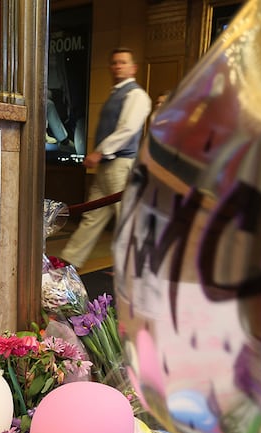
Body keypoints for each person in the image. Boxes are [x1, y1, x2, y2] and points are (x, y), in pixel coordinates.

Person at [58, 47, 152, 271]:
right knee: (93, 215)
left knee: (126, 219)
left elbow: (127, 129)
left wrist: (100, 152)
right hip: (108, 167)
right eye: (115, 62)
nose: (118, 66)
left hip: (121, 165)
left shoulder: (137, 95)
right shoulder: (116, 94)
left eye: (123, 62)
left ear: (133, 67)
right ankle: (69, 261)